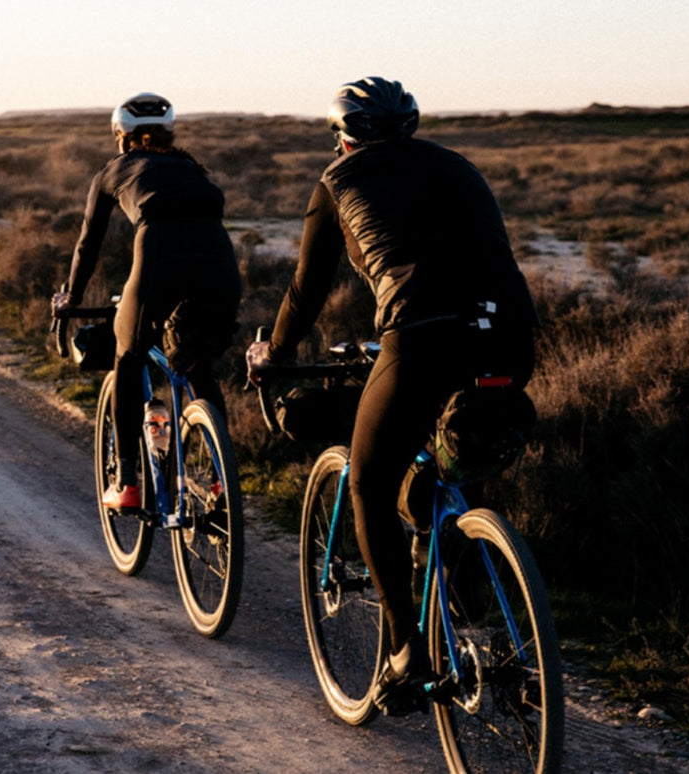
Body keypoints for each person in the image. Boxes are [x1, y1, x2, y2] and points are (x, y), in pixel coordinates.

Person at [246, 77, 539, 708]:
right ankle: (481, 636)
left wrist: (274, 353)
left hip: (421, 340)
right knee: (454, 468)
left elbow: (305, 291)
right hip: (509, 335)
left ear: (342, 137)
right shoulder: (459, 168)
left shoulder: (337, 181)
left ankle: (406, 650)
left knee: (369, 484)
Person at [53, 93, 242, 510]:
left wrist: (72, 296)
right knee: (197, 366)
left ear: (121, 137)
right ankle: (220, 479)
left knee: (128, 356)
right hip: (219, 259)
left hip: (159, 254)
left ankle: (127, 483)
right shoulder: (192, 168)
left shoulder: (113, 170)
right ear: (169, 135)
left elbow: (88, 243)